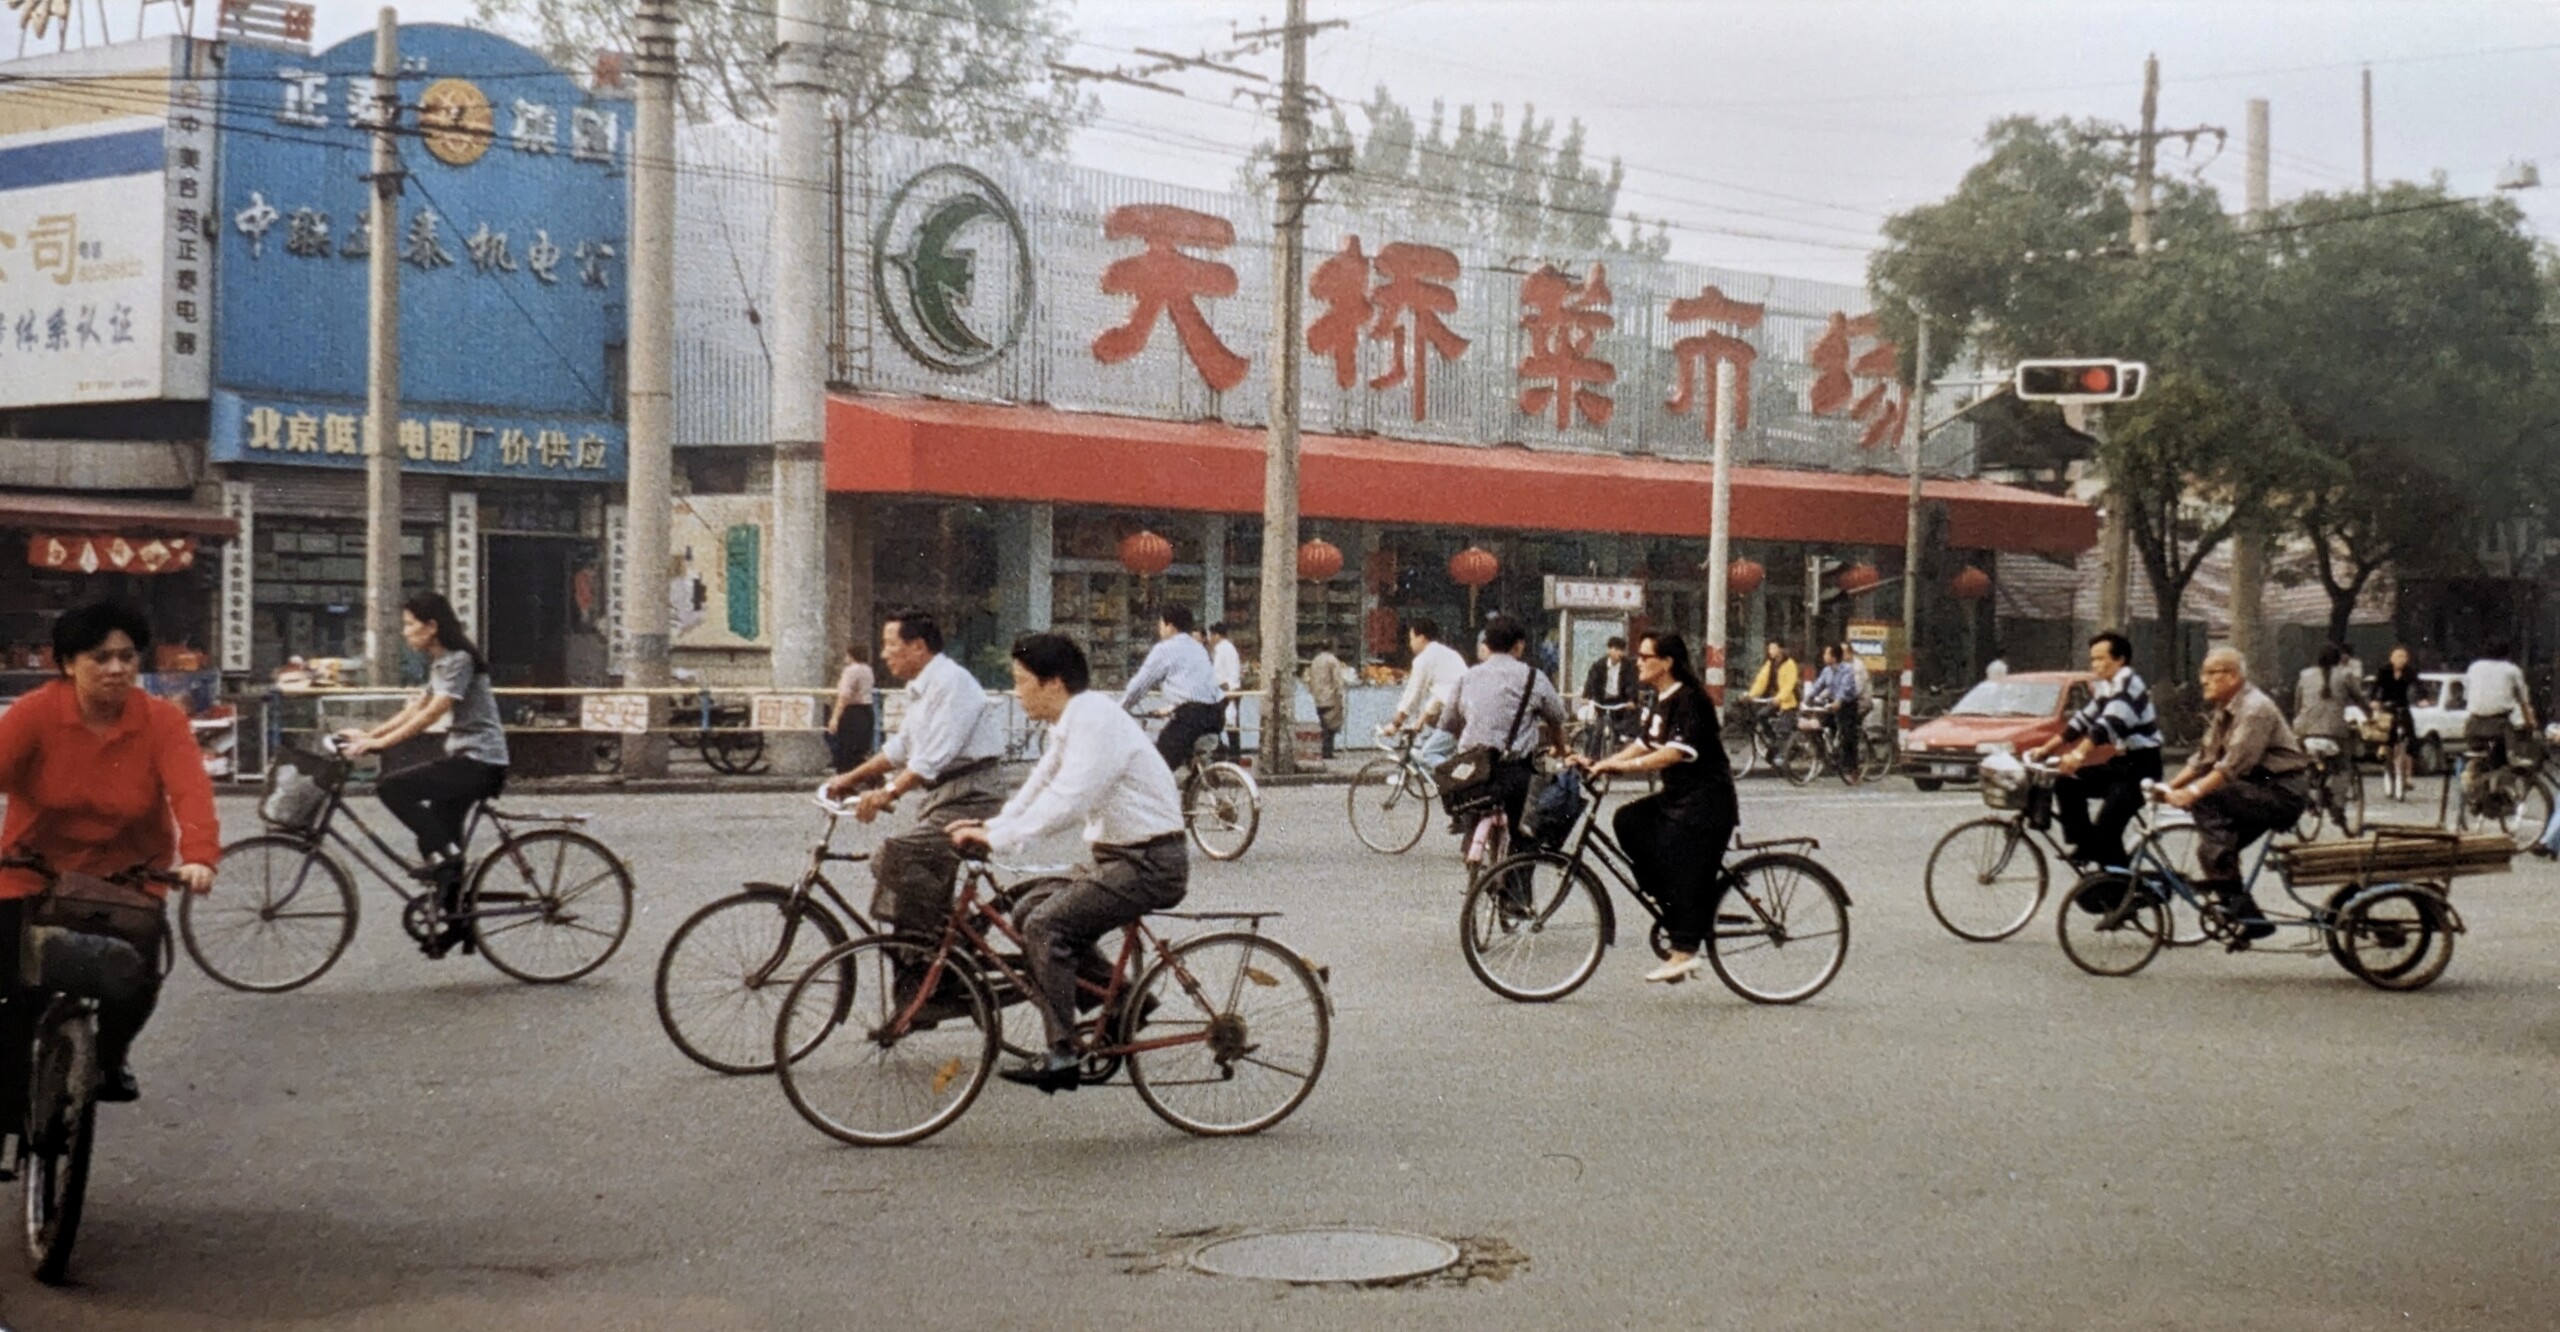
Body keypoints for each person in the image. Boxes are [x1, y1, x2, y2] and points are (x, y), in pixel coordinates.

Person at [0, 601, 218, 1103]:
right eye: (101, 658)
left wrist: (200, 856)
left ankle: (109, 1057)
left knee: (135, 981)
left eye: (127, 657)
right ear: (68, 664)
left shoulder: (161, 721)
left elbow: (191, 792)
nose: (118, 669)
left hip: (126, 881)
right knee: (12, 991)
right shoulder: (36, 713)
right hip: (33, 874)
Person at [949, 633, 1186, 1093]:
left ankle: (1062, 1052)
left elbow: (1070, 799)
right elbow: (1039, 784)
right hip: (1120, 856)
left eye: (1021, 682)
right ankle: (1124, 1001)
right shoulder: (1070, 721)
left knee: (1046, 927)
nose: (1017, 693)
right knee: (1024, 912)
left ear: (1053, 683)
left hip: (1151, 862)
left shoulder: (1095, 720)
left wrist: (998, 837)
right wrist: (993, 825)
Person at [824, 610, 1008, 998]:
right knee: (911, 871)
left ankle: (945, 950)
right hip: (945, 795)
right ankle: (937, 955)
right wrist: (850, 779)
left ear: (918, 647)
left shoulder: (952, 683)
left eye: (891, 645)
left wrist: (887, 794)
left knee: (897, 854)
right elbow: (901, 748)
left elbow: (930, 759)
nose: (885, 655)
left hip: (972, 794)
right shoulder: (923, 688)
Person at [339, 592, 509, 958]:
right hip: (467, 760)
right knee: (432, 842)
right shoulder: (442, 661)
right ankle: (458, 927)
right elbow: (415, 707)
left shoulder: (459, 660)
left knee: (392, 787)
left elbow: (431, 715)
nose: (405, 632)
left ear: (432, 627)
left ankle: (449, 859)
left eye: (409, 625)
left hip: (480, 763)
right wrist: (370, 736)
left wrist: (380, 746)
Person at [1581, 632, 1738, 985]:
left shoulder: (1691, 700)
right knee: (1629, 820)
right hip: (1678, 797)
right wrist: (1602, 763)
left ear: (1666, 662)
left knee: (1680, 860)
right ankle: (1671, 904)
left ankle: (1684, 950)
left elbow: (1674, 752)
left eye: (1644, 655)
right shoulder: (1661, 699)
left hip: (1705, 802)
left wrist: (1623, 769)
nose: (1637, 661)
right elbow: (1643, 743)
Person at [2161, 647, 2311, 945]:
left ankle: (2233, 897)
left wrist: (2191, 792)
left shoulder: (2255, 709)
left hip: (2281, 793)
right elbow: (2205, 757)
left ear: (2231, 676)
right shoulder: (2225, 709)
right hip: (2256, 790)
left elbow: (2231, 766)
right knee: (2209, 852)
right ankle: (2250, 920)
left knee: (2207, 801)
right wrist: (2169, 788)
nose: (2202, 680)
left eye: (2209, 673)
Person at [2028, 631, 2163, 870]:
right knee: (2065, 782)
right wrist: (2045, 749)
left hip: (2143, 769)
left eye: (2101, 658)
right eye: (2093, 659)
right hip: (2122, 765)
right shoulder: (2106, 687)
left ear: (2120, 659)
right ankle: (2085, 844)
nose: (2096, 665)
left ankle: (2121, 893)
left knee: (2107, 829)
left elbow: (2109, 723)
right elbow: (2083, 721)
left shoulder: (2129, 682)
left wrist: (2079, 754)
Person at [1436, 615, 1568, 848]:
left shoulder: (1467, 677)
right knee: (1525, 840)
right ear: (1519, 646)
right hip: (1515, 771)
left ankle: (1470, 843)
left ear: (1485, 646)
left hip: (1473, 773)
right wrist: (1561, 749)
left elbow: (1447, 722)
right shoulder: (1533, 678)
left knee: (1472, 803)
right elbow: (1556, 718)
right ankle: (1519, 874)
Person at [1119, 606, 1225, 772]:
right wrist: (1171, 708)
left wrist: (1120, 708)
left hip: (1191, 717)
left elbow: (1139, 685)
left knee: (1158, 768)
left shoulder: (1165, 649)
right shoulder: (1199, 648)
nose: (1159, 629)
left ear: (1170, 626)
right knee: (1185, 761)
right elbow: (1195, 688)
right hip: (1216, 713)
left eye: (1160, 624)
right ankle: (1194, 789)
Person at [1388, 617, 1469, 771]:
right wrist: (1421, 719)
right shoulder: (1450, 654)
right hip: (1465, 711)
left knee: (1428, 754)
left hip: (1455, 715)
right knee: (1432, 739)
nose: (1410, 643)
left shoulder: (1423, 660)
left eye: (1411, 639)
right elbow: (1444, 694)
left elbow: (1412, 696)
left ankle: (1457, 780)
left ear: (1422, 638)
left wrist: (1395, 723)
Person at [2460, 642, 2535, 781]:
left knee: (2477, 754)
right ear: (2507, 655)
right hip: (2500, 727)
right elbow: (2523, 701)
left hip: (2473, 725)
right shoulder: (2512, 670)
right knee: (2507, 760)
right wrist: (2530, 722)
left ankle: (2471, 775)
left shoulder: (2474, 667)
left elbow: (2466, 694)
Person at [1803, 644, 1867, 782]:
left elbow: (1845, 687)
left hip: (1847, 705)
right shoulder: (1827, 671)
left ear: (1834, 657)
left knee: (1847, 735)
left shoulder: (1847, 670)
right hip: (1831, 704)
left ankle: (1853, 768)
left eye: (1826, 654)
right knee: (1818, 726)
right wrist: (1807, 699)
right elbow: (1818, 685)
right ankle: (1823, 756)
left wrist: (1839, 701)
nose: (1824, 657)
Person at [2291, 643, 2368, 755]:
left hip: (2304, 729)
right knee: (2345, 756)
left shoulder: (2304, 675)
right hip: (2335, 732)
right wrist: (2370, 714)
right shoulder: (2345, 675)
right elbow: (2359, 699)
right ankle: (2344, 769)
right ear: (2338, 659)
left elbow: (2297, 704)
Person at [2371, 644, 2421, 799]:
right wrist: (2374, 700)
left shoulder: (2409, 671)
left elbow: (2418, 685)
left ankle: (2407, 774)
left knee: (2411, 736)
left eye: (2404, 657)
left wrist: (2422, 698)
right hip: (2387, 707)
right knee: (2385, 737)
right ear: (2391, 658)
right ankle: (2385, 762)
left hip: (2402, 706)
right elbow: (2375, 687)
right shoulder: (2384, 671)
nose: (2402, 660)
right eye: (2399, 656)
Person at [826, 642, 876, 774]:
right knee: (860, 749)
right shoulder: (868, 670)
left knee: (846, 750)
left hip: (852, 712)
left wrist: (835, 717)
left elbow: (845, 695)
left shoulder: (851, 671)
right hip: (867, 710)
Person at [1303, 641, 1356, 760]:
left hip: (1318, 697)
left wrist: (1313, 691)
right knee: (1331, 726)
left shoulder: (1315, 660)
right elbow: (1337, 680)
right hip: (1331, 697)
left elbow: (1308, 678)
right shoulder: (1332, 660)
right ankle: (1327, 751)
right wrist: (1340, 694)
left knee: (1323, 724)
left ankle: (1325, 750)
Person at [1582, 636, 1639, 746]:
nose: (1619, 653)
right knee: (1597, 731)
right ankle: (1594, 759)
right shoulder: (1599, 665)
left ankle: (1617, 753)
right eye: (1616, 649)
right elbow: (1591, 680)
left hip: (1619, 702)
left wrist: (1632, 700)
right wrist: (1586, 696)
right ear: (1609, 649)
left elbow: (1632, 683)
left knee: (1620, 732)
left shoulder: (1628, 666)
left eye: (1621, 650)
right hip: (1602, 701)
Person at [1206, 621, 1244, 762]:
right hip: (1226, 689)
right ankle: (1225, 750)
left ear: (1216, 635)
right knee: (1226, 722)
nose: (1210, 639)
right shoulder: (1225, 648)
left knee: (1228, 722)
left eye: (1211, 636)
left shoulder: (1224, 649)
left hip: (1227, 690)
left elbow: (1220, 674)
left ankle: (1230, 752)